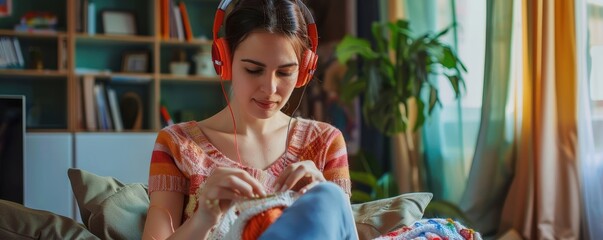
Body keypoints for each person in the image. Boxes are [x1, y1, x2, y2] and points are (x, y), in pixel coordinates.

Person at [141, 0, 358, 239]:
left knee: (330, 196)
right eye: (254, 70)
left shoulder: (325, 142)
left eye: (285, 72)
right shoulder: (177, 144)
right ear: (224, 61)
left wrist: (326, 196)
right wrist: (203, 218)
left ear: (304, 70)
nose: (270, 88)